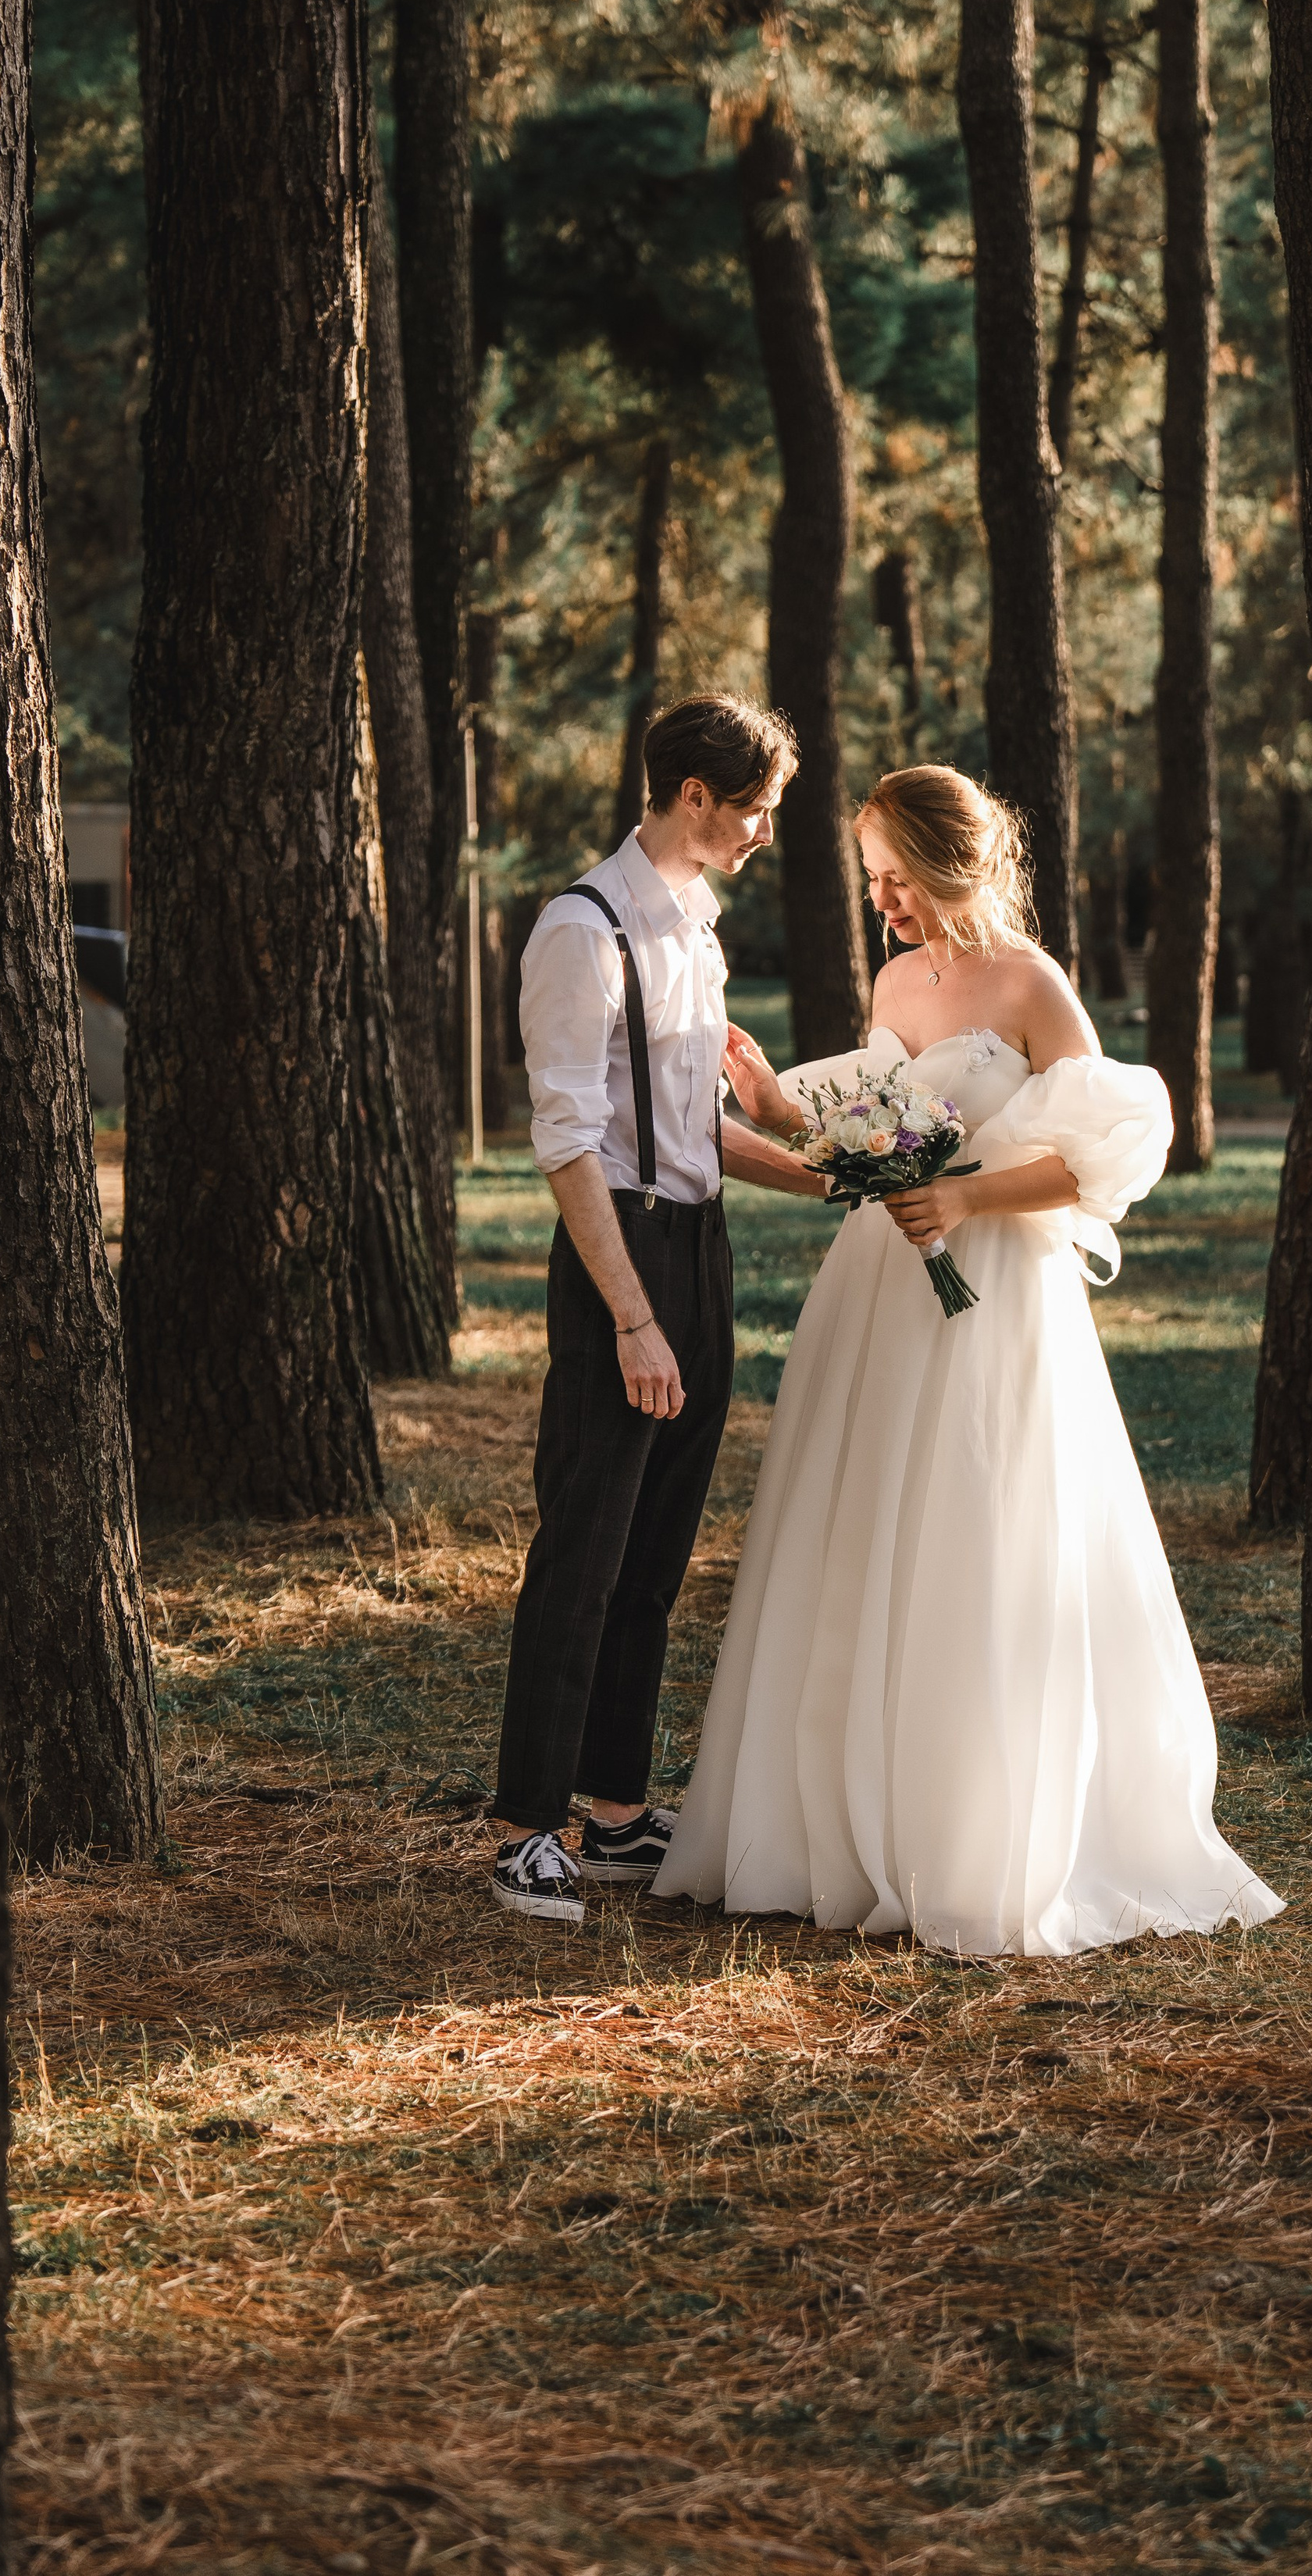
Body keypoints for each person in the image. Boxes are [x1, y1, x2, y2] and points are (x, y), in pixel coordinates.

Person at [654, 764, 1282, 1957]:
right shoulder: (897, 978)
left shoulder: (1032, 986)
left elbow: (1106, 1153)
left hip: (996, 1296)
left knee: (977, 1529)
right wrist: (773, 1102)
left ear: (949, 862)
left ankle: (974, 1829)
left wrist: (964, 1196)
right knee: (860, 1532)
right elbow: (873, 1132)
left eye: (893, 876)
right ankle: (838, 1823)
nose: (881, 900)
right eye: (872, 880)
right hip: (880, 1290)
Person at [490, 693, 825, 1923]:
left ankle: (615, 1808)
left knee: (657, 1549)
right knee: (583, 1544)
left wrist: (835, 1178)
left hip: (701, 1253)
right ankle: (528, 1824)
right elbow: (572, 1143)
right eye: (756, 810)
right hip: (616, 1260)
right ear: (695, 795)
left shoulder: (696, 927)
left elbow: (695, 1130)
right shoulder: (581, 931)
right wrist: (631, 1317)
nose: (763, 832)